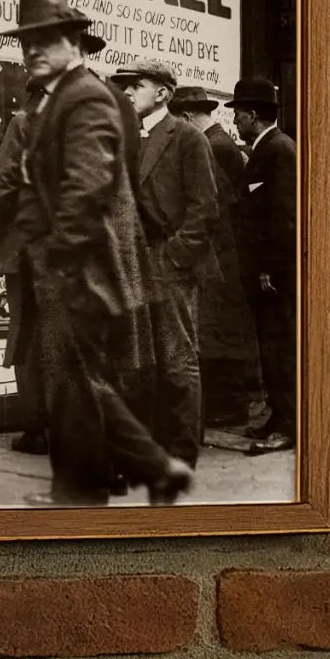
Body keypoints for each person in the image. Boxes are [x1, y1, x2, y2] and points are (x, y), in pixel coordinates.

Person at [8, 0, 190, 507]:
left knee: (74, 378)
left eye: (47, 40)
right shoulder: (59, 99)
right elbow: (36, 184)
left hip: (83, 265)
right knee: (74, 378)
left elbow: (87, 186)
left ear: (74, 43)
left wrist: (56, 255)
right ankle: (133, 475)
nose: (33, 51)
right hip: (74, 262)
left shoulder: (84, 97)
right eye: (27, 42)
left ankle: (94, 488)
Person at [114, 64, 218, 466]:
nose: (127, 94)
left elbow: (205, 208)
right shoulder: (129, 139)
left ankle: (182, 451)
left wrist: (175, 254)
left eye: (135, 87)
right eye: (124, 87)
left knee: (178, 359)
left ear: (162, 94)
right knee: (138, 361)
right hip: (134, 263)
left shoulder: (187, 137)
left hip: (170, 263)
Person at [174, 83, 261, 433]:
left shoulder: (212, 147)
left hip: (221, 258)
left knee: (219, 333)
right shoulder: (222, 144)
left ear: (184, 117)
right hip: (225, 257)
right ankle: (228, 406)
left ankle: (229, 407)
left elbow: (212, 206)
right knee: (220, 332)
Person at [0, 68, 48, 455]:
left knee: (28, 338)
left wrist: (0, 241)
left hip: (30, 253)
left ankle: (37, 429)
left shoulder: (26, 123)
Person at [232, 77, 295, 457]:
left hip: (275, 275)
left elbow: (284, 218)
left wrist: (271, 268)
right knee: (269, 346)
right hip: (265, 273)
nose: (236, 121)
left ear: (253, 116)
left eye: (238, 114)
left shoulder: (278, 151)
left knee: (278, 347)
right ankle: (278, 416)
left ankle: (287, 425)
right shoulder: (266, 148)